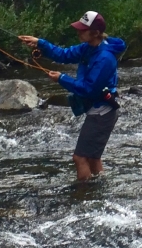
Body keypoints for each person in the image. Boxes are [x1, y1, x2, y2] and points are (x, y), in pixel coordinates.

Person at [19, 11, 126, 182]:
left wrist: (61, 78)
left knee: (80, 158)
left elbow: (88, 89)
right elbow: (63, 54)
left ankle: (83, 196)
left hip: (101, 113)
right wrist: (40, 43)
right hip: (99, 109)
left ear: (96, 33)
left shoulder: (105, 58)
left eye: (83, 30)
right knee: (92, 158)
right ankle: (99, 189)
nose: (78, 32)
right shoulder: (88, 47)